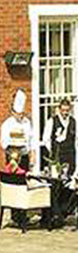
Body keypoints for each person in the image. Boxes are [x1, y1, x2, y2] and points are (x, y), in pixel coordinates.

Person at [41, 96, 77, 227]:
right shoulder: (52, 121)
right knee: (56, 187)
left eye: (67, 110)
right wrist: (53, 153)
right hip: (57, 159)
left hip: (70, 158)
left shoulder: (74, 122)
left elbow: (76, 142)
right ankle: (53, 215)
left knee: (68, 186)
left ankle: (63, 212)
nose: (65, 113)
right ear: (58, 109)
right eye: (63, 110)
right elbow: (45, 139)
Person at [0, 89, 36, 170]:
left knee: (24, 179)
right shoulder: (7, 124)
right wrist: (12, 150)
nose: (20, 116)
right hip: (11, 157)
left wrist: (33, 155)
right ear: (13, 112)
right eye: (18, 114)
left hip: (24, 156)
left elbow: (32, 140)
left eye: (21, 114)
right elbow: (3, 142)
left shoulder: (27, 122)